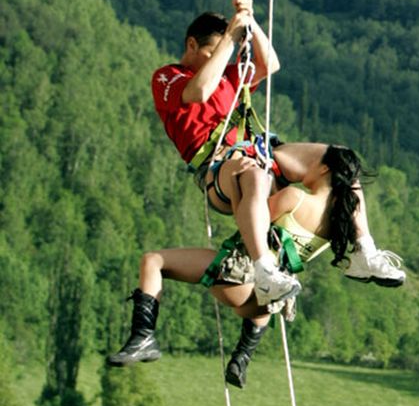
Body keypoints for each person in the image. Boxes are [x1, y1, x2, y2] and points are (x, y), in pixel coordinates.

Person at [149, 0, 403, 307]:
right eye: (215, 52)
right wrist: (230, 38)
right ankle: (264, 269)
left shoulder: (230, 76)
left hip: (255, 150)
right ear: (191, 45)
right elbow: (199, 92)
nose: (221, 59)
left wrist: (250, 23)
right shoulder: (168, 78)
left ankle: (364, 250)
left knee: (341, 160)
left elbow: (270, 65)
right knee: (252, 174)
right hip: (219, 166)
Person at [108, 145, 390, 389]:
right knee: (273, 283)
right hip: (263, 306)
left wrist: (237, 170)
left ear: (324, 168)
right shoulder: (335, 225)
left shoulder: (295, 197)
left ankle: (143, 336)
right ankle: (242, 357)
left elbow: (250, 216)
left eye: (312, 163)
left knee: (154, 261)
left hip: (238, 280)